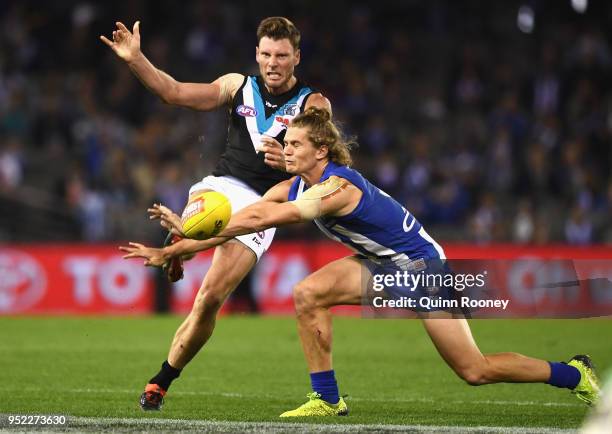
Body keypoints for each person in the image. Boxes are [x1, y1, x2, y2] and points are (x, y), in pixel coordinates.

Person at [121, 107, 601, 417]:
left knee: (474, 370)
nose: (282, 151)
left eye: (293, 146)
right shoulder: (296, 181)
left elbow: (279, 215)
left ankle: (572, 373)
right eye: (284, 145)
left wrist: (188, 238)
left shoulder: (335, 186)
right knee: (307, 294)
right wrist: (176, 245)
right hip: (380, 263)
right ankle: (327, 398)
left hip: (422, 269)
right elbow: (249, 217)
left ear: (320, 150)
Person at [101, 17, 331, 410]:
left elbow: (323, 168)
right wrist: (136, 59)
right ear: (257, 55)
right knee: (202, 222)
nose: (272, 63)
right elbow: (172, 93)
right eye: (266, 55)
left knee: (209, 297)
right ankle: (184, 245)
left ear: (296, 58)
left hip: (267, 204)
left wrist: (288, 162)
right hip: (222, 187)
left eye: (281, 55)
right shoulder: (236, 86)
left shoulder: (313, 105)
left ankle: (163, 378)